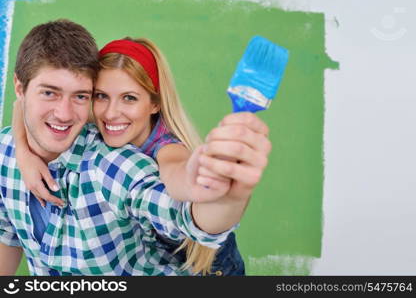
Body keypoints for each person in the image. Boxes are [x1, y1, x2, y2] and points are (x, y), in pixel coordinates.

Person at [0, 20, 271, 275]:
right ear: (21, 89)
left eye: (129, 98)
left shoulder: (141, 156)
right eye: (101, 96)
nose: (112, 112)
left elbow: (180, 200)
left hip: (208, 266)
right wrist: (22, 153)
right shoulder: (16, 145)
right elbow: (19, 109)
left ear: (154, 104)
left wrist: (215, 188)